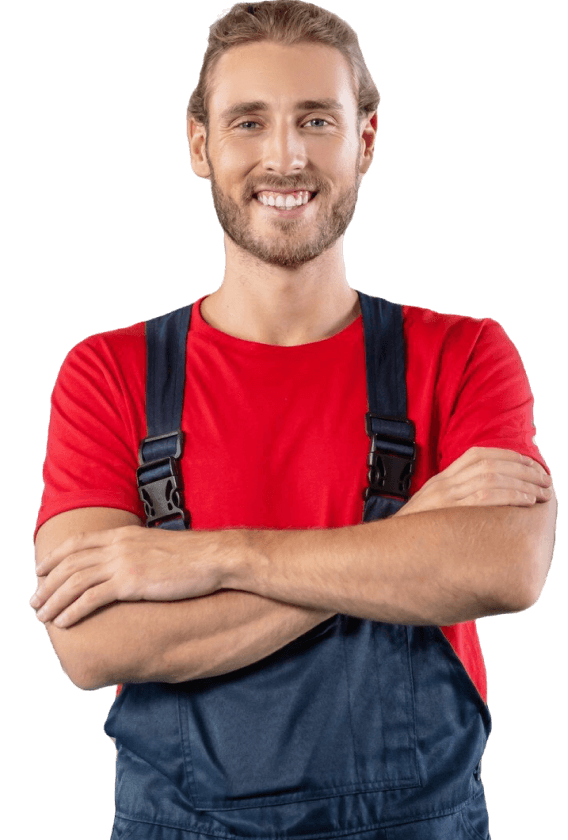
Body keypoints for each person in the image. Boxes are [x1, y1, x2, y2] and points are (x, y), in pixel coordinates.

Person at [32, 2, 556, 838]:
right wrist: (403, 543)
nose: (285, 156)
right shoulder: (109, 372)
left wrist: (217, 558)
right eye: (249, 121)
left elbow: (507, 568)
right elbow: (93, 646)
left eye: (317, 119)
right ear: (200, 144)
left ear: (365, 141)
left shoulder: (464, 354)